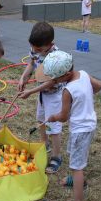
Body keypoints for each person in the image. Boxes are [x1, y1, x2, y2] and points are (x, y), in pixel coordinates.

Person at [38, 50, 101, 201]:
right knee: (79, 155)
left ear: (66, 74)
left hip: (80, 129)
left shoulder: (68, 91)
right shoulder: (84, 74)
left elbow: (63, 117)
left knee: (77, 166)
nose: (53, 81)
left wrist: (53, 117)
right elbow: (99, 86)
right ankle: (77, 180)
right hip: (89, 125)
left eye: (55, 78)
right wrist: (84, 97)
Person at [18, 22, 64, 173]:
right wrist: (24, 77)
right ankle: (45, 144)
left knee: (54, 127)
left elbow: (50, 83)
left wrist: (30, 92)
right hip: (42, 93)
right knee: (40, 119)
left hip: (54, 94)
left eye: (39, 49)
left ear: (51, 44)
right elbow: (31, 63)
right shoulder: (35, 48)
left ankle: (56, 157)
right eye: (33, 48)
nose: (35, 51)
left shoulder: (56, 57)